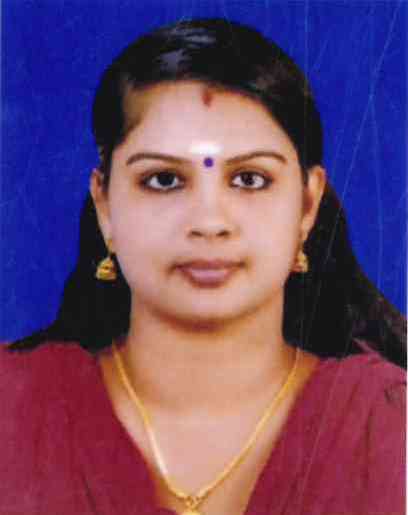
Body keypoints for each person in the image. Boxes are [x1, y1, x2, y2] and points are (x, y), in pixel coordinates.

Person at [1, 18, 405, 515]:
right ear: (105, 206)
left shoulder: (389, 424)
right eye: (164, 180)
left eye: (250, 179)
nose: (209, 223)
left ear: (307, 206)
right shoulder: (13, 407)